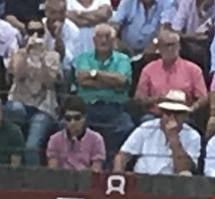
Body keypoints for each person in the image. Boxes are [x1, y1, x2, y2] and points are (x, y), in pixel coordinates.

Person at [4, 18, 61, 165]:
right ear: (26, 34)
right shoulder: (17, 53)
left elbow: (49, 81)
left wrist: (41, 58)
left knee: (31, 147)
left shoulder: (53, 55)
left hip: (43, 107)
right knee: (14, 109)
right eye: (31, 32)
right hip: (19, 102)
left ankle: (33, 181)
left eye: (40, 32)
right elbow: (18, 74)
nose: (36, 35)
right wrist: (26, 52)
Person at [75, 23, 135, 157]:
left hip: (115, 108)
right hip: (88, 108)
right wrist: (111, 83)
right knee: (67, 124)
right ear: (93, 40)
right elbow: (82, 80)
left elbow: (121, 80)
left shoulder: (123, 59)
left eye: (107, 37)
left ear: (114, 41)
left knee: (127, 127)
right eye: (99, 37)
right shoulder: (83, 57)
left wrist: (94, 74)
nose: (103, 40)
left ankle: (111, 164)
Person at [113, 88, 201, 173]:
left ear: (185, 115)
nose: (172, 117)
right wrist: (119, 177)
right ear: (162, 113)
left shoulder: (193, 136)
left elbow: (184, 169)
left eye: (178, 113)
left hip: (173, 184)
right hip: (142, 180)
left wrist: (173, 138)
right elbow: (122, 156)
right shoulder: (146, 128)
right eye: (168, 112)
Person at [134, 27, 207, 116]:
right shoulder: (148, 69)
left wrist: (192, 109)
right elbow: (139, 99)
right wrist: (156, 99)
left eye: (173, 45)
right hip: (155, 115)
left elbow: (203, 98)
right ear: (159, 48)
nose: (170, 49)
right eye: (166, 45)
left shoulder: (194, 70)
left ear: (179, 46)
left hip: (183, 115)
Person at [46, 94, 106, 170]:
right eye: (68, 118)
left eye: (77, 118)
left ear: (84, 117)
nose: (72, 122)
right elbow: (53, 172)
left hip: (85, 179)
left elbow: (96, 172)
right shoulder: (54, 140)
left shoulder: (96, 139)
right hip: (62, 180)